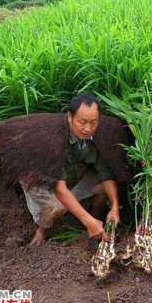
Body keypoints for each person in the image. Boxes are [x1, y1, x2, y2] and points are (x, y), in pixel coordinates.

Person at [19, 95, 123, 246]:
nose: (88, 129)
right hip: (42, 178)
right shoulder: (55, 139)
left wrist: (114, 207)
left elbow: (105, 172)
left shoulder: (95, 136)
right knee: (54, 208)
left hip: (71, 173)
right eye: (82, 122)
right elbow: (60, 189)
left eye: (93, 123)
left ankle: (93, 222)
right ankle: (41, 231)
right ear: (69, 117)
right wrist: (88, 222)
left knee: (104, 188)